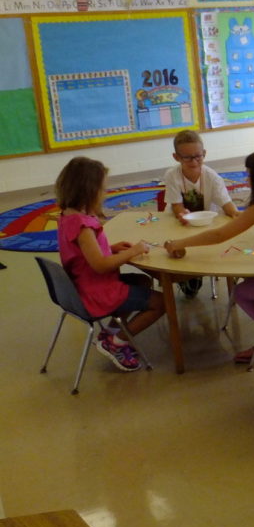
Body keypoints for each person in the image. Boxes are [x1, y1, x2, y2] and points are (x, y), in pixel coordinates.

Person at [163, 148, 254, 364]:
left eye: (250, 174)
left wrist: (180, 243)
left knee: (241, 291)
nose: (247, 178)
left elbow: (220, 234)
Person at [55, 157, 165, 372]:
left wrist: (110, 248)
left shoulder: (67, 216)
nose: (104, 193)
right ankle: (117, 342)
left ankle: (112, 333)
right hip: (98, 291)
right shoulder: (83, 225)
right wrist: (133, 251)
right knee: (163, 302)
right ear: (89, 190)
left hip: (83, 285)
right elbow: (101, 266)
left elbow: (83, 254)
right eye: (102, 188)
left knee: (142, 280)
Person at [163, 130, 240, 298]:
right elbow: (176, 206)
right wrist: (182, 214)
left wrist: (236, 215)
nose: (194, 161)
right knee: (188, 280)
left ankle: (222, 273)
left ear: (204, 153)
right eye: (187, 158)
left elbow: (227, 205)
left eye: (198, 156)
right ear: (176, 157)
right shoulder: (172, 175)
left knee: (212, 250)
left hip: (206, 224)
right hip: (180, 224)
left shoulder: (212, 177)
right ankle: (188, 279)